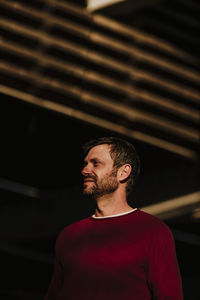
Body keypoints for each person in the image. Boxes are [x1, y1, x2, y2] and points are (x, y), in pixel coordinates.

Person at [45, 136, 183, 300]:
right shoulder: (68, 236)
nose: (85, 170)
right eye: (85, 164)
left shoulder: (153, 232)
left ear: (123, 172)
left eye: (96, 163)